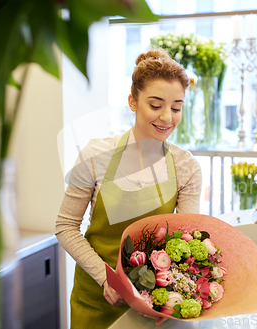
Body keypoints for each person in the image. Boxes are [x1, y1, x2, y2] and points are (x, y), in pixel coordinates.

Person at [56, 49, 202, 328]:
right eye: (155, 105)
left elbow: (186, 242)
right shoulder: (95, 155)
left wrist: (169, 296)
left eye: (176, 107)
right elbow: (65, 226)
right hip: (96, 300)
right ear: (133, 102)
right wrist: (105, 278)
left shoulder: (186, 167)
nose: (167, 118)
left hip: (156, 305)